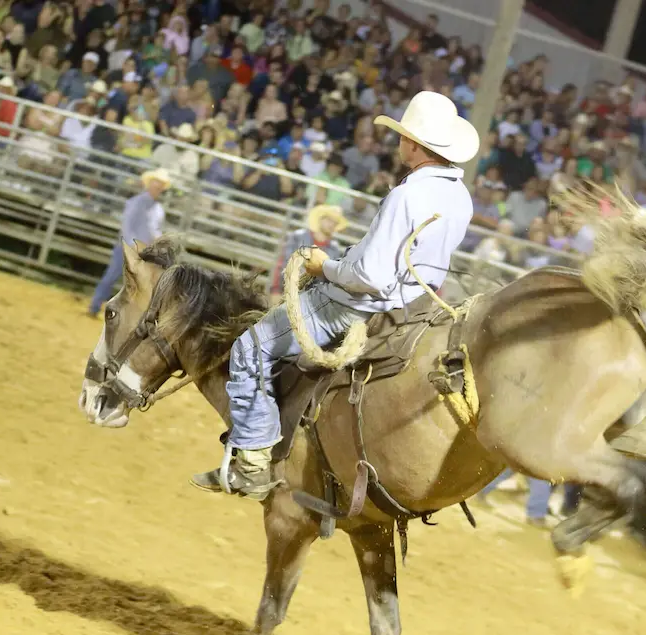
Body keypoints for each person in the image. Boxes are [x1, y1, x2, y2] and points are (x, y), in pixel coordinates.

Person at [191, 91, 479, 499]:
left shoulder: (407, 195)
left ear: (412, 143)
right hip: (413, 306)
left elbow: (370, 274)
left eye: (402, 135)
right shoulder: (460, 197)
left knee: (250, 348)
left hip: (356, 303)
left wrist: (322, 266)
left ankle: (253, 462)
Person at [88, 169, 172, 317]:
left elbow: (155, 231)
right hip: (127, 247)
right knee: (112, 276)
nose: (157, 185)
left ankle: (123, 315)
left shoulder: (158, 209)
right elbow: (127, 225)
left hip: (144, 251)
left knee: (136, 285)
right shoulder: (137, 202)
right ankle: (95, 306)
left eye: (160, 183)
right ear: (149, 183)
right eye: (156, 181)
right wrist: (132, 244)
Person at [269, 204, 349, 299]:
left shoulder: (334, 249)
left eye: (335, 222)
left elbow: (329, 279)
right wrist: (275, 289)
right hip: (285, 289)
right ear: (320, 219)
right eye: (329, 220)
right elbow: (282, 262)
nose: (331, 224)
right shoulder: (298, 237)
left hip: (310, 298)